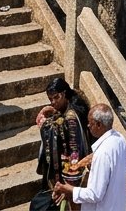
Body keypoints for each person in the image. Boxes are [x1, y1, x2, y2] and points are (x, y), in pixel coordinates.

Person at [52, 103, 126, 211]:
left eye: (90, 123)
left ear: (99, 125)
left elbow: (95, 195)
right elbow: (125, 170)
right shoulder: (121, 139)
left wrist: (68, 189)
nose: (88, 126)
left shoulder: (102, 153)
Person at [36, 77, 90, 208]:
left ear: (64, 94)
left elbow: (70, 141)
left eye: (56, 97)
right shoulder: (75, 102)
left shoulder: (71, 117)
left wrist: (44, 125)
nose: (53, 102)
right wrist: (55, 112)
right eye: (50, 99)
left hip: (71, 169)